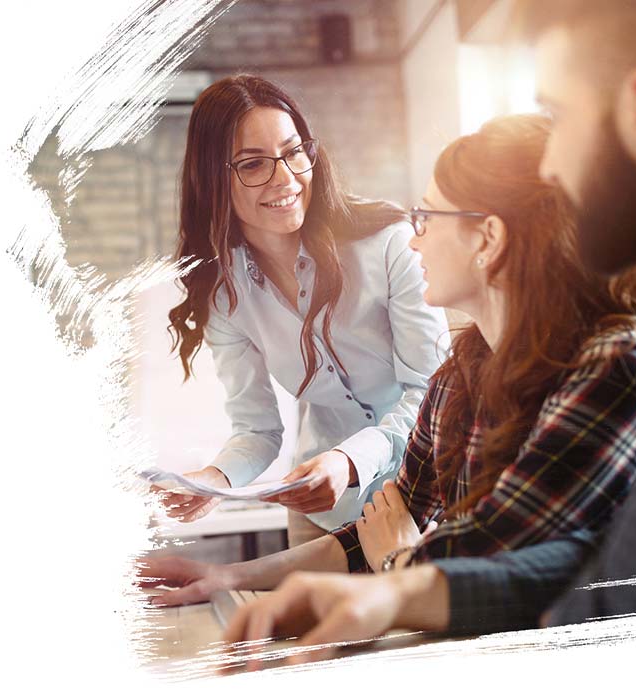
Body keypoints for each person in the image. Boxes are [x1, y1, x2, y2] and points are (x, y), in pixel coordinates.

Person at [217, 0, 636, 655]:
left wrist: (402, 571)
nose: (553, 170)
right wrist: (396, 586)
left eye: (562, 113)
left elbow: (625, 590)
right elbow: (602, 560)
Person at [140, 114, 636, 609]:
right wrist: (224, 575)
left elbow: (491, 553)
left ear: (488, 237)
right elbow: (390, 527)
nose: (414, 237)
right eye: (253, 163)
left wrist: (398, 562)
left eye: (426, 217)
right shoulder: (460, 373)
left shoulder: (614, 363)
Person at [156, 75, 449, 546]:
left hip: (431, 497)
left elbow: (433, 394)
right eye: (253, 164)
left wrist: (350, 460)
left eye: (294, 152)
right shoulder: (225, 297)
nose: (286, 179)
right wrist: (216, 478)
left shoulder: (389, 244)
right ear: (212, 179)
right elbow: (257, 429)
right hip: (325, 514)